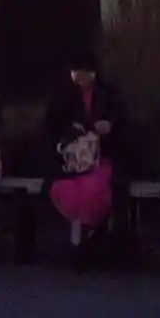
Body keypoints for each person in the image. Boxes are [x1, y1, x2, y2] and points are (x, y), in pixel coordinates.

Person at [44, 51, 125, 252]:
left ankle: (92, 238)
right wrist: (71, 131)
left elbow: (121, 122)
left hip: (100, 156)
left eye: (83, 72)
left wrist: (109, 126)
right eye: (75, 72)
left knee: (97, 187)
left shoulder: (107, 94)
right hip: (71, 161)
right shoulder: (63, 95)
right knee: (71, 189)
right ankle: (79, 242)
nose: (79, 77)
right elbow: (51, 126)